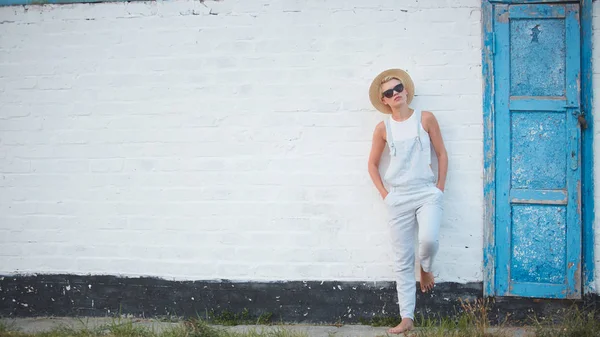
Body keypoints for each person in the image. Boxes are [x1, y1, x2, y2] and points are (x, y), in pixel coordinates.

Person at [367, 69, 448, 334]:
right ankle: (406, 318)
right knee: (402, 258)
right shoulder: (383, 128)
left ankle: (425, 268)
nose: (395, 93)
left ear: (405, 90)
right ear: (385, 100)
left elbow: (442, 154)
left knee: (428, 240)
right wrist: (386, 195)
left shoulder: (425, 119)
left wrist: (439, 188)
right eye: (389, 93)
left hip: (426, 193)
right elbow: (372, 164)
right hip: (398, 197)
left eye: (398, 88)